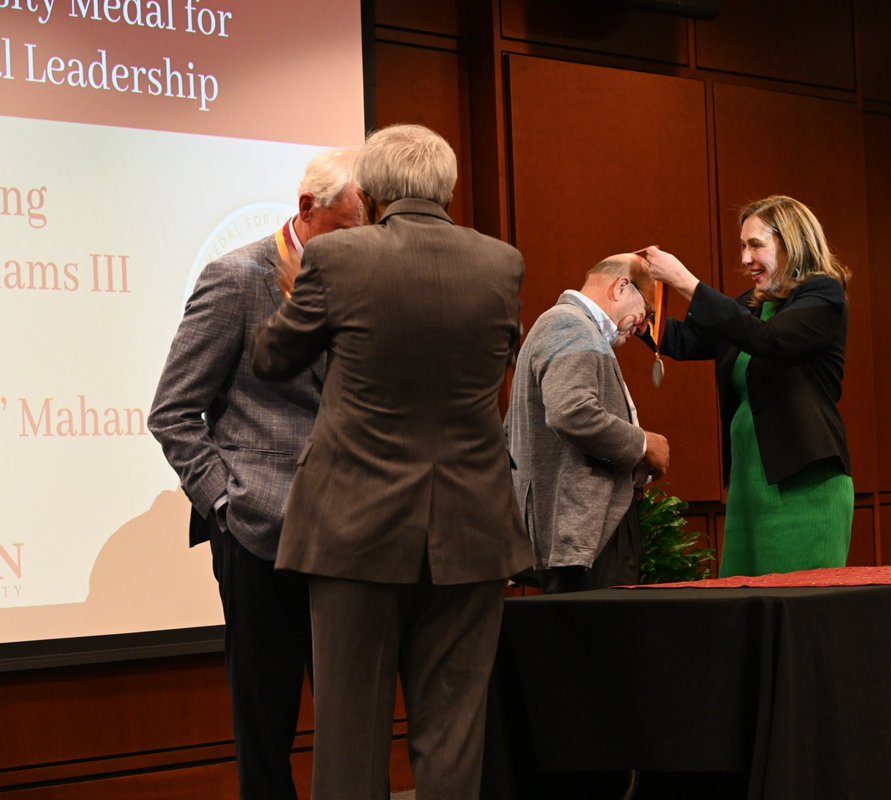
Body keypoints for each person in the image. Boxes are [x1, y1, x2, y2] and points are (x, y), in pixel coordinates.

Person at [251, 123, 532, 800]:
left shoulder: (336, 258)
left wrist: (296, 296)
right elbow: (500, 359)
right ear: (448, 188)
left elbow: (271, 360)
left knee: (350, 738)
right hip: (472, 530)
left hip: (355, 530)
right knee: (454, 736)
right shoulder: (502, 263)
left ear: (372, 190)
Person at [148, 148, 363, 799]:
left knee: (353, 721)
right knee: (267, 723)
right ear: (307, 209)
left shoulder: (363, 285)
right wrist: (225, 503)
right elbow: (173, 411)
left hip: (349, 533)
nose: (358, 244)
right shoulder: (238, 278)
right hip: (257, 531)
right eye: (346, 229)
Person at [642, 194, 853, 577]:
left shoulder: (823, 294)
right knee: (743, 601)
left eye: (755, 245)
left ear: (791, 242)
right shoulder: (752, 305)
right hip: (748, 487)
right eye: (742, 246)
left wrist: (686, 282)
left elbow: (768, 339)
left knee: (795, 603)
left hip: (803, 486)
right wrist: (641, 315)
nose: (744, 258)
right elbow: (688, 341)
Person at [505, 254, 671, 594]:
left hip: (582, 528)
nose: (643, 326)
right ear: (621, 287)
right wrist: (643, 445)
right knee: (599, 628)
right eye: (647, 311)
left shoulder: (569, 325)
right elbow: (572, 412)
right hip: (585, 530)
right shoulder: (570, 324)